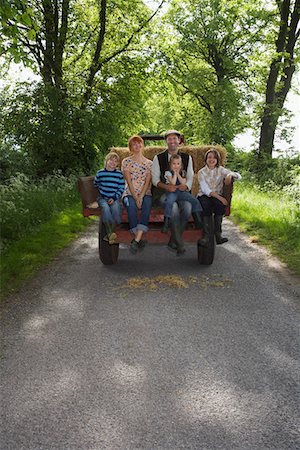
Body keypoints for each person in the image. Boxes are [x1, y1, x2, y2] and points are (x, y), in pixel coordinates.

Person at [152, 129, 200, 256]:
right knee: (173, 207)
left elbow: (190, 176)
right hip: (164, 193)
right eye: (169, 139)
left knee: (188, 207)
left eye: (175, 139)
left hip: (182, 191)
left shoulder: (186, 157)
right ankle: (179, 242)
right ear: (166, 141)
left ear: (179, 141)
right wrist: (167, 187)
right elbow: (155, 180)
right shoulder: (158, 158)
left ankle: (173, 240)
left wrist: (187, 186)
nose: (172, 141)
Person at [197, 148, 241, 246]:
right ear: (206, 159)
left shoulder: (221, 170)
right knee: (205, 205)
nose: (211, 160)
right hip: (204, 195)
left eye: (214, 158)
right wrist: (220, 197)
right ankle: (206, 235)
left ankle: (218, 234)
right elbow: (205, 189)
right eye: (209, 157)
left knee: (219, 205)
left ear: (217, 160)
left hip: (216, 196)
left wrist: (230, 175)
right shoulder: (201, 172)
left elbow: (239, 176)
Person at [121, 135, 153, 254]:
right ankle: (138, 238)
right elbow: (128, 182)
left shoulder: (149, 163)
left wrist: (141, 196)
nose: (137, 146)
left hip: (145, 193)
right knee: (131, 206)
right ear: (130, 147)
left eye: (139, 143)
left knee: (146, 206)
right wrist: (135, 197)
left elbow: (147, 181)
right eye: (134, 144)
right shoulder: (126, 162)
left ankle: (136, 240)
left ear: (142, 145)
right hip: (129, 193)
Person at [161, 154, 203, 233]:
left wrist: (178, 174)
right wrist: (175, 174)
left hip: (180, 192)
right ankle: (166, 223)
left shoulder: (183, 172)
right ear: (170, 165)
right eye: (174, 164)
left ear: (181, 165)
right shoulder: (168, 173)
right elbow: (173, 182)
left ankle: (198, 221)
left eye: (178, 164)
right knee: (169, 202)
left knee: (194, 200)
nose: (176, 166)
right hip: (172, 192)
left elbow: (183, 182)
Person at [94, 152, 125, 244]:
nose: (113, 162)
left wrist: (114, 197)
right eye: (111, 160)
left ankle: (114, 227)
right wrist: (103, 195)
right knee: (105, 208)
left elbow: (121, 188)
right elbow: (96, 184)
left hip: (114, 197)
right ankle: (109, 231)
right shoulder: (100, 173)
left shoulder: (119, 174)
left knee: (116, 207)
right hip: (103, 197)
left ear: (117, 164)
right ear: (106, 161)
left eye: (115, 161)